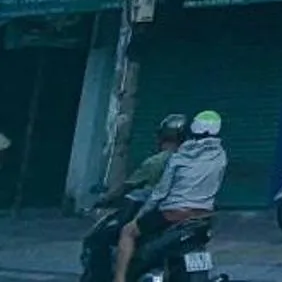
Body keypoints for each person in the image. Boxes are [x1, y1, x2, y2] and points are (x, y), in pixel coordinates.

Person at [113, 111, 225, 282]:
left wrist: (140, 215)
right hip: (203, 216)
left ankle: (119, 279)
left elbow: (160, 193)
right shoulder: (221, 156)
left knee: (128, 231)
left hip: (173, 214)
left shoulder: (180, 157)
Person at [81, 118, 185, 282]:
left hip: (159, 214)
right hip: (190, 213)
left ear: (162, 137)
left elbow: (127, 187)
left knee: (117, 234)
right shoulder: (196, 162)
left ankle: (119, 277)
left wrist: (106, 199)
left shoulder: (157, 161)